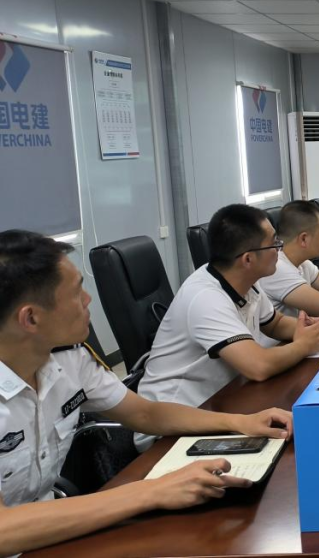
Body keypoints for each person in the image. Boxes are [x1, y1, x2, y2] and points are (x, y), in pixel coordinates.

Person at [0, 230, 292, 556]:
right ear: (31, 318)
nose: (87, 300)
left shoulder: (68, 358)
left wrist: (240, 423)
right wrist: (152, 491)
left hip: (52, 533)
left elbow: (144, 412)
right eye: (75, 292)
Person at [137, 204, 319, 450]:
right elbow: (258, 366)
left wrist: (311, 329)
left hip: (224, 401)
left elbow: (275, 324)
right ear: (248, 259)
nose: (279, 249)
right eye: (273, 244)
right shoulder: (205, 298)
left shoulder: (245, 281)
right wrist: (303, 345)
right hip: (175, 425)